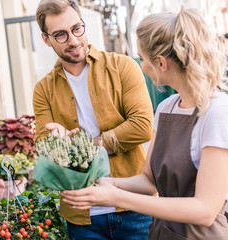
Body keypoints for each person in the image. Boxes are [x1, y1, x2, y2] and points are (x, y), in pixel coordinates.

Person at [61, 8, 228, 239]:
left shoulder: (217, 113)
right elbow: (149, 182)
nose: (141, 65)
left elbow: (205, 211)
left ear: (161, 63)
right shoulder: (166, 108)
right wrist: (100, 183)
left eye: (142, 58)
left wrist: (116, 197)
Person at [33, 0, 154, 239]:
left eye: (77, 28)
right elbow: (43, 145)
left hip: (135, 207)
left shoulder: (123, 67)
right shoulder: (43, 90)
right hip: (81, 214)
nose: (74, 40)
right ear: (46, 39)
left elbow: (142, 127)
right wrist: (54, 143)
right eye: (60, 35)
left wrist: (83, 148)